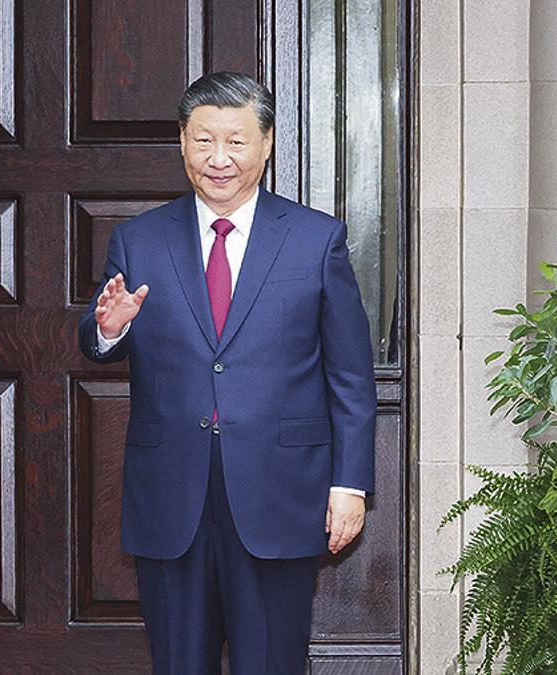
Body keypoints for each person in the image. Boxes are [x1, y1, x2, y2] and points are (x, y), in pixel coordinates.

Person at [78, 71, 377, 673]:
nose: (219, 159)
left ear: (266, 144)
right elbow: (95, 343)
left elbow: (350, 376)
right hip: (172, 497)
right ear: (182, 143)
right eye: (203, 141)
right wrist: (111, 327)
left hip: (281, 491)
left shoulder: (316, 240)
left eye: (236, 142)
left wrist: (350, 485)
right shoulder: (139, 239)